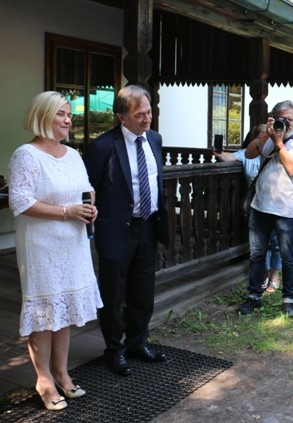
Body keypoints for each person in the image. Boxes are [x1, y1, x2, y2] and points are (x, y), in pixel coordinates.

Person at [8, 91, 103, 410]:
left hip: (73, 245)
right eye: (61, 114)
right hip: (42, 247)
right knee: (44, 313)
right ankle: (44, 380)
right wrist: (66, 212)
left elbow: (86, 191)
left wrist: (90, 208)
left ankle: (62, 373)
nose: (68, 120)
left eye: (69, 115)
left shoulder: (74, 154)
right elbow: (19, 202)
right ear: (42, 116)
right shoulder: (27, 155)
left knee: (64, 311)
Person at [85, 84, 170, 376]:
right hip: (116, 230)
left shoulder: (155, 139)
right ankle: (114, 350)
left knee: (143, 289)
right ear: (122, 117)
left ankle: (137, 342)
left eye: (149, 112)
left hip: (148, 224)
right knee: (113, 293)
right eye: (140, 115)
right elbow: (90, 189)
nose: (147, 119)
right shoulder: (102, 146)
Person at [236, 100, 293, 318]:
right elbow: (249, 153)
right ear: (274, 117)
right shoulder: (269, 137)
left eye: (289, 119)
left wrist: (279, 142)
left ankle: (289, 299)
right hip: (260, 207)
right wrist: (267, 135)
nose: (286, 123)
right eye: (282, 119)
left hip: (285, 209)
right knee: (257, 254)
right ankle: (254, 296)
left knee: (288, 256)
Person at [213, 124, 282, 292]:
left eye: (268, 136)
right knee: (260, 243)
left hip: (276, 204)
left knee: (276, 242)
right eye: (261, 137)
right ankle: (265, 274)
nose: (265, 140)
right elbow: (229, 157)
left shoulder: (277, 154)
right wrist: (219, 153)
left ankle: (275, 274)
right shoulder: (247, 155)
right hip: (256, 206)